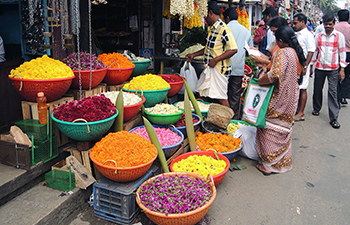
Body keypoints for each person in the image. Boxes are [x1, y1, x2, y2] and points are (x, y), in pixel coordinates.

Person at [255, 25, 306, 175]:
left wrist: (261, 79)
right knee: (283, 129)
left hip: (280, 96)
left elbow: (274, 75)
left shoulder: (282, 53)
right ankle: (281, 162)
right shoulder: (294, 52)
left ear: (281, 41)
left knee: (267, 127)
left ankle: (268, 165)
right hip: (291, 97)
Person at [186, 1, 237, 107]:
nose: (205, 18)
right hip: (209, 68)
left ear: (210, 13)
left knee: (221, 98)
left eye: (205, 15)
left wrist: (216, 59)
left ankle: (228, 121)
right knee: (202, 93)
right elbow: (208, 48)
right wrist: (194, 54)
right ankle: (206, 116)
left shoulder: (224, 29)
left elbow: (233, 49)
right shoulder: (212, 29)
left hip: (219, 70)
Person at [310, 13, 347, 129]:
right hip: (320, 67)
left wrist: (342, 69)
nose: (328, 26)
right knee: (317, 89)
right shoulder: (319, 36)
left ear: (334, 24)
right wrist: (311, 66)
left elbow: (342, 53)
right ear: (323, 24)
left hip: (333, 69)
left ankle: (334, 117)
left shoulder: (339, 36)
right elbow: (315, 51)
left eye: (330, 24)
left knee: (333, 92)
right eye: (326, 24)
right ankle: (316, 108)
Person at [223, 7, 253, 120]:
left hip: (223, 68)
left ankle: (222, 119)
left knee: (222, 95)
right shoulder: (246, 30)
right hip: (238, 69)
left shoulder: (224, 28)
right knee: (234, 97)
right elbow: (249, 51)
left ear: (227, 18)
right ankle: (233, 121)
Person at [292, 13, 316, 122]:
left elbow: (311, 50)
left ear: (302, 22)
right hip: (297, 65)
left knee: (302, 88)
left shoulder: (308, 35)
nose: (293, 25)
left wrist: (306, 66)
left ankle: (301, 112)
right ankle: (296, 110)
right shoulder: (296, 34)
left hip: (303, 64)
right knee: (297, 88)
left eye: (295, 23)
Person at [334, 9, 350, 105]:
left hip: (336, 54)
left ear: (338, 17)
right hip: (348, 54)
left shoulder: (334, 28)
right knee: (347, 76)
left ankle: (337, 95)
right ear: (348, 17)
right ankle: (343, 96)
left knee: (336, 75)